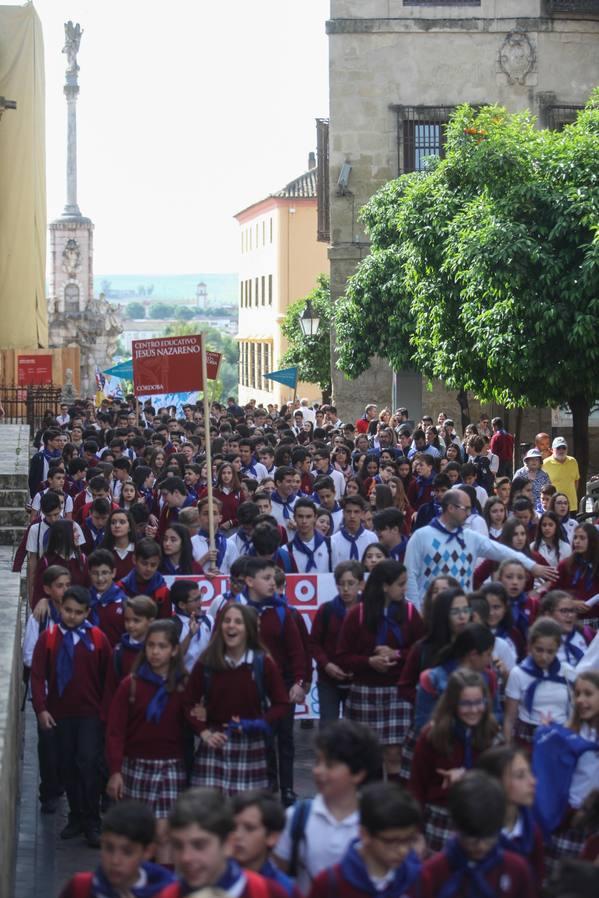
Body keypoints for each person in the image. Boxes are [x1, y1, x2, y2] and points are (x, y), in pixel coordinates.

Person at [30, 585, 112, 847]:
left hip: (90, 715)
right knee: (67, 767)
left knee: (88, 765)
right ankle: (75, 816)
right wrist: (41, 709)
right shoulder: (49, 637)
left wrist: (104, 713)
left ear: (87, 612)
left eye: (78, 612)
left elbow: (107, 679)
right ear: (60, 608)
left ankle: (92, 820)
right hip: (59, 714)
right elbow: (37, 675)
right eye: (67, 610)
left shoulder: (98, 639)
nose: (72, 616)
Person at [183, 602, 289, 795]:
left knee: (246, 816)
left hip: (251, 745)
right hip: (214, 744)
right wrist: (203, 732)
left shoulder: (262, 663)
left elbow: (281, 703)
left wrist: (257, 724)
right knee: (210, 818)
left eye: (238, 622)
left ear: (248, 629)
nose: (231, 625)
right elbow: (188, 702)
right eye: (227, 621)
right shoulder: (207, 662)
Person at [106, 620, 188, 863]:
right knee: (138, 835)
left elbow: (195, 720)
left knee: (164, 834)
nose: (155, 652)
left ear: (174, 650)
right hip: (136, 766)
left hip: (171, 765)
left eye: (162, 646)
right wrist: (115, 770)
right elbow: (115, 731)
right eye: (150, 646)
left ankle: (164, 884)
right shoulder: (129, 685)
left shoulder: (183, 685)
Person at [337, 560, 424, 778]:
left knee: (395, 754)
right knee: (368, 755)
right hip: (365, 690)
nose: (405, 589)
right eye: (401, 584)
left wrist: (397, 654)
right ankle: (371, 805)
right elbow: (342, 656)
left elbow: (422, 651)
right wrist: (369, 662)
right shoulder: (357, 614)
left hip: (398, 691)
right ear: (385, 586)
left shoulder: (411, 613)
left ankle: (395, 806)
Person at [273, 720, 382, 895]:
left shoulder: (376, 820)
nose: (318, 771)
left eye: (330, 765)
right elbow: (278, 876)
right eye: (317, 762)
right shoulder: (298, 817)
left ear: (358, 773)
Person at [405, 489, 554, 611]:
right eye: (466, 509)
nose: (469, 514)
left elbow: (504, 551)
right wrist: (416, 612)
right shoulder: (421, 536)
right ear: (450, 508)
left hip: (463, 615)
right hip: (430, 614)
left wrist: (532, 566)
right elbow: (410, 575)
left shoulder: (471, 538)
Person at [408, 669, 499, 851]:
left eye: (478, 702)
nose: (473, 710)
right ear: (452, 704)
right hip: (441, 819)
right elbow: (416, 788)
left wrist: (468, 779)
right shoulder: (432, 736)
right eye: (465, 704)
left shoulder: (493, 735)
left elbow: (499, 786)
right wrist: (415, 833)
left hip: (482, 820)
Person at [413, 770, 535, 898]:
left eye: (488, 837)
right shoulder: (433, 873)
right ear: (456, 828)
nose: (481, 846)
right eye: (472, 839)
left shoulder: (516, 870)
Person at [163, 788, 288, 898]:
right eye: (178, 846)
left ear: (228, 844)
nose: (186, 857)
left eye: (199, 845)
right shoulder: (166, 894)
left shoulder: (269, 892)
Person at [308, 783, 423, 898]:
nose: (403, 850)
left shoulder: (418, 880)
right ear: (365, 834)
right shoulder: (330, 883)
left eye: (409, 840)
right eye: (391, 841)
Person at [57, 800, 175, 898]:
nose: (115, 860)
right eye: (109, 848)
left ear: (148, 851)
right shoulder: (81, 888)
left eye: (127, 852)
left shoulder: (169, 893)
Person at [476, 746, 545, 884]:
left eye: (530, 773)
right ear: (495, 782)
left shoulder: (532, 831)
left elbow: (536, 883)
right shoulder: (476, 833)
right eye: (520, 775)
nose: (533, 781)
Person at [503, 618, 575, 748]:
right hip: (528, 738)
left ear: (558, 649)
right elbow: (510, 718)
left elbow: (574, 710)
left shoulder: (567, 671)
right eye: (539, 650)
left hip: (561, 736)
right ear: (530, 646)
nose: (544, 657)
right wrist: (508, 748)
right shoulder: (518, 673)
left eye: (550, 651)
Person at [310, 561, 363, 725]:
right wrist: (327, 665)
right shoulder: (326, 610)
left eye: (350, 584)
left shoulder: (368, 611)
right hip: (328, 680)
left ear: (360, 584)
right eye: (341, 584)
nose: (345, 589)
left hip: (358, 679)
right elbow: (314, 643)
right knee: (328, 728)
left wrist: (361, 666)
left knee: (356, 731)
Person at [231, 791, 296, 897]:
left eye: (249, 828)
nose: (237, 835)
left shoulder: (283, 890)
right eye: (233, 827)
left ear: (272, 837)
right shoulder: (214, 875)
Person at [103, 595, 158, 709]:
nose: (130, 625)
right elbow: (110, 689)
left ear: (151, 621)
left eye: (136, 620)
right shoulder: (118, 652)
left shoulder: (159, 650)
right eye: (127, 620)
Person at [118, 538, 172, 618]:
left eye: (153, 565)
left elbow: (166, 625)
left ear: (159, 563)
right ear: (134, 560)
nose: (148, 569)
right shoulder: (121, 588)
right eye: (144, 563)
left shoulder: (163, 593)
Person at [540, 590, 594, 667]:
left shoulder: (586, 633)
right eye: (564, 611)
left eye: (572, 610)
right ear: (548, 615)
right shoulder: (539, 639)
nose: (570, 615)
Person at [278, 498, 333, 573]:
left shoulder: (331, 545)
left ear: (315, 518)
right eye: (300, 516)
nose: (304, 521)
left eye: (308, 517)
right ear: (294, 518)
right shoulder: (286, 550)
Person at [87, 548, 126, 647]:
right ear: (89, 573)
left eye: (104, 573)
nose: (100, 578)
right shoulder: (84, 600)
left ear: (113, 573)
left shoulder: (124, 602)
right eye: (95, 573)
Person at [331, 495, 378, 567]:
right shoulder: (333, 540)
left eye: (356, 512)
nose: (352, 516)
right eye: (348, 511)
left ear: (362, 514)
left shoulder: (372, 538)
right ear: (343, 513)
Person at [543, 437, 580, 512]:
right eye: (558, 448)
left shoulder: (573, 461)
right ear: (552, 449)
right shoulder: (545, 463)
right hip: (554, 505)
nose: (561, 450)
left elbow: (576, 480)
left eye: (564, 448)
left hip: (571, 505)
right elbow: (543, 485)